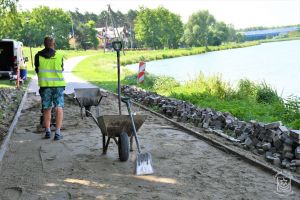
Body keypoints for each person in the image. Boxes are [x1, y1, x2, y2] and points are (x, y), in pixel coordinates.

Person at [34, 36, 65, 140]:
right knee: (59, 107)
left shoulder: (38, 56)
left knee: (46, 108)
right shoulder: (60, 55)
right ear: (53, 44)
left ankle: (47, 131)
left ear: (44, 44)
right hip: (58, 86)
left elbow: (37, 70)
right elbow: (62, 69)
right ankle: (57, 132)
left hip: (45, 86)